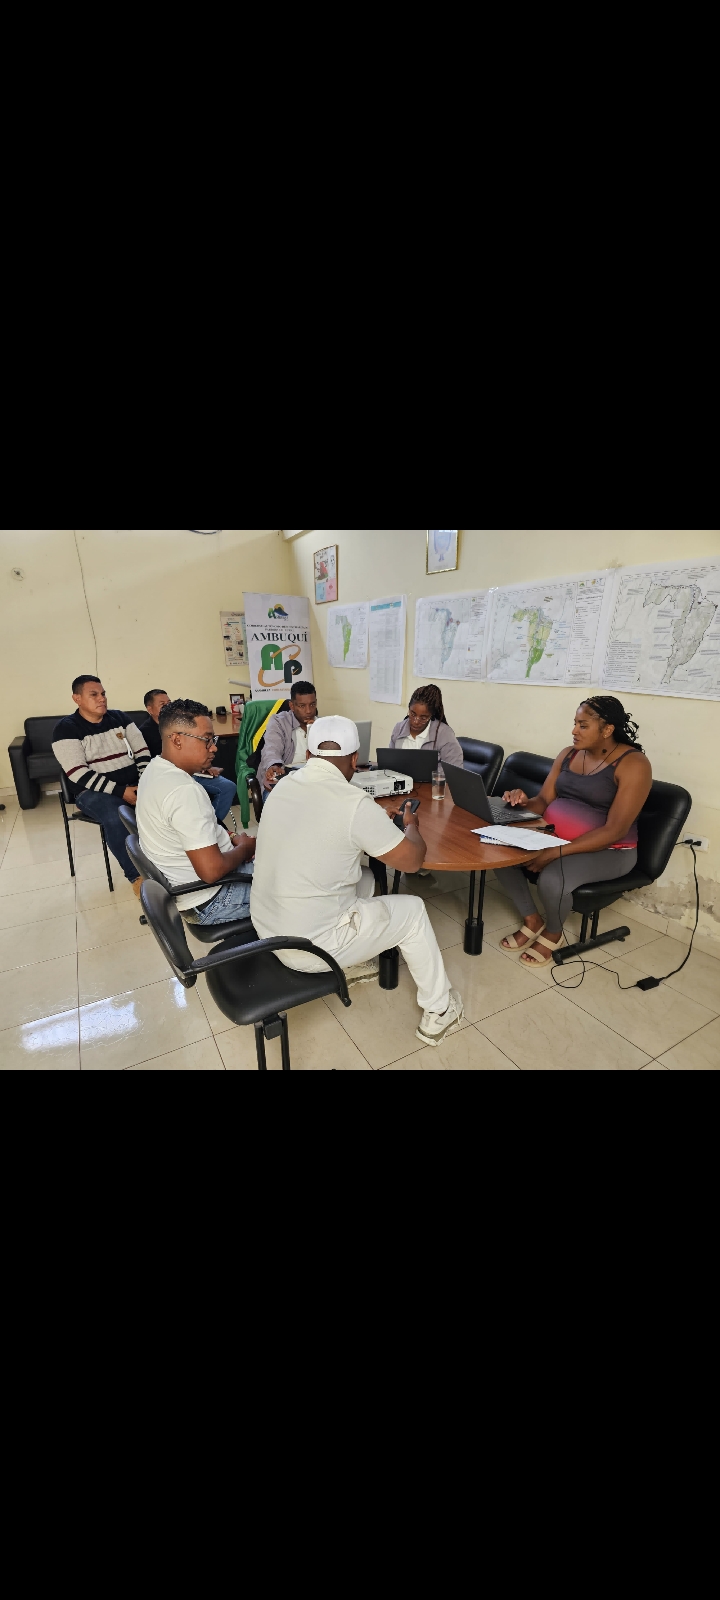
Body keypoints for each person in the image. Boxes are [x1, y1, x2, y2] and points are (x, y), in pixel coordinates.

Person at [251, 715, 464, 1046]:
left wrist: (372, 820)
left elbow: (323, 828)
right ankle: (439, 1009)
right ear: (355, 760)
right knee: (413, 911)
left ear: (308, 755)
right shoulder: (352, 803)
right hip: (309, 949)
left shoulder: (284, 786)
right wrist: (411, 825)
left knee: (364, 878)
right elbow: (411, 861)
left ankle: (356, 957)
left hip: (268, 928)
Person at [496, 696, 652, 967]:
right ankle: (532, 920)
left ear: (607, 729)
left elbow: (615, 830)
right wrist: (521, 801)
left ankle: (553, 932)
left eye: (583, 725)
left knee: (552, 879)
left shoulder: (633, 764)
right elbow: (543, 800)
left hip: (611, 850)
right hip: (556, 838)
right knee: (499, 850)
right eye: (575, 723)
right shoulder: (568, 755)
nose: (574, 730)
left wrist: (554, 853)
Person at [136, 699, 256, 926]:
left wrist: (231, 838)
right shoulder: (184, 791)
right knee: (300, 879)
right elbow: (211, 871)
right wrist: (244, 848)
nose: (214, 747)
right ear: (177, 740)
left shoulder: (154, 769)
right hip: (215, 898)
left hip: (190, 893)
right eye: (206, 740)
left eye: (213, 740)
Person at [52, 676, 151, 897]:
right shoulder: (66, 729)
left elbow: (142, 751)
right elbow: (78, 773)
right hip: (91, 792)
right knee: (117, 815)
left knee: (168, 800)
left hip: (134, 784)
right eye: (94, 695)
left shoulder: (120, 718)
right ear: (77, 698)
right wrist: (121, 792)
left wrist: (144, 783)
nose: (102, 699)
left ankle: (176, 862)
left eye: (103, 693)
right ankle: (137, 878)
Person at [140, 690, 238, 825]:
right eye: (162, 704)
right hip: (181, 774)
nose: (167, 706)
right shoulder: (145, 732)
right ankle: (209, 824)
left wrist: (203, 766)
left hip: (192, 771)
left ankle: (213, 823)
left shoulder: (155, 768)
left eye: (169, 703)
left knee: (228, 787)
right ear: (150, 709)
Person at [257, 682, 318, 797]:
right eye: (302, 706)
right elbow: (271, 748)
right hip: (286, 775)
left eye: (312, 704)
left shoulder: (321, 724)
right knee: (278, 801)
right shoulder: (279, 722)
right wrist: (274, 765)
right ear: (292, 706)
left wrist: (316, 730)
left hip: (313, 777)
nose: (309, 711)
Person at [390, 685, 464, 769]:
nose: (416, 721)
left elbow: (454, 770)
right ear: (409, 708)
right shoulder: (399, 728)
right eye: (412, 714)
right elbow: (391, 763)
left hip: (431, 778)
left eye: (423, 718)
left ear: (431, 716)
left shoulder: (444, 734)